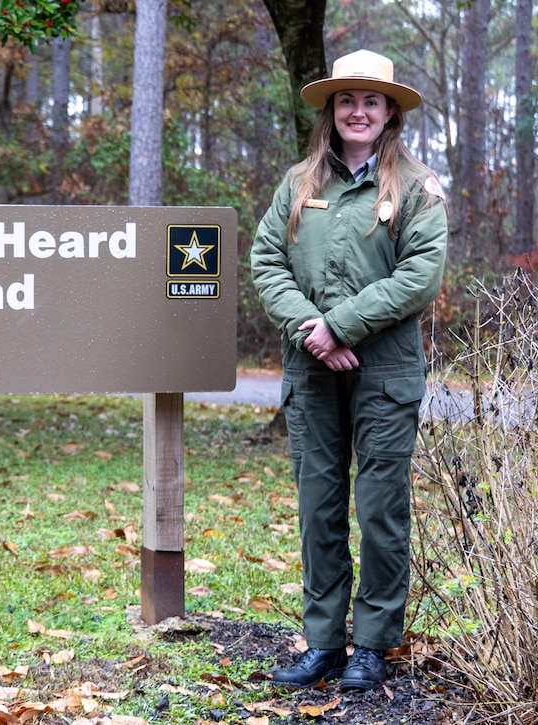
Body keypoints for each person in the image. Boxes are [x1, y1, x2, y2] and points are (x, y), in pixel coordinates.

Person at [250, 49, 447, 692]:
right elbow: (265, 264)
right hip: (311, 369)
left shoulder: (416, 188)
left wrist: (344, 324)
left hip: (385, 369)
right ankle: (325, 642)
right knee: (318, 507)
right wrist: (314, 331)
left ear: (391, 111)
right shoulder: (299, 184)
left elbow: (420, 275)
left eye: (371, 100)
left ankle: (373, 644)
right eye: (346, 100)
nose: (357, 111)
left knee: (380, 509)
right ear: (331, 112)